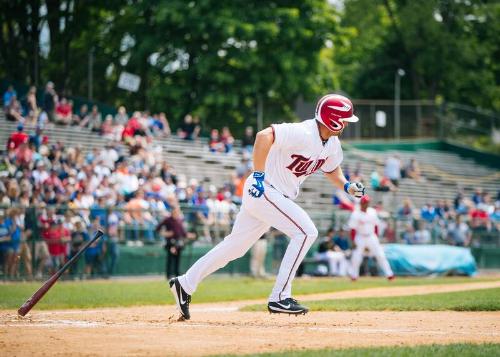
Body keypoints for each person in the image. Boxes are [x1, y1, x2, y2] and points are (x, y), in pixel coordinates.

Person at [169, 94, 365, 319]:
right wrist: (259, 174)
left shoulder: (331, 143)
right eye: (345, 120)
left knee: (235, 247)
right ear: (333, 120)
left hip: (273, 195)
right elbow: (264, 136)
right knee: (306, 232)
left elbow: (332, 169)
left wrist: (347, 185)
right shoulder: (304, 132)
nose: (346, 124)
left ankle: (184, 283)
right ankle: (280, 296)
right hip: (265, 189)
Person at [347, 195, 394, 281]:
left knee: (380, 255)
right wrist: (353, 241)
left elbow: (376, 226)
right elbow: (352, 229)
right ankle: (354, 275)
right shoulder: (356, 214)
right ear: (361, 203)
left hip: (371, 236)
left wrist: (376, 237)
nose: (366, 204)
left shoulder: (372, 212)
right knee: (356, 256)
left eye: (367, 202)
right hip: (360, 236)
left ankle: (389, 274)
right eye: (365, 202)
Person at [156, 207, 195, 279]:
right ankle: (168, 275)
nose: (177, 213)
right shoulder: (167, 220)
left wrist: (189, 235)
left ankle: (177, 275)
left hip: (178, 243)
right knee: (170, 259)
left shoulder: (179, 220)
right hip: (170, 242)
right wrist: (165, 233)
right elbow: (158, 228)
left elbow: (182, 232)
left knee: (177, 260)